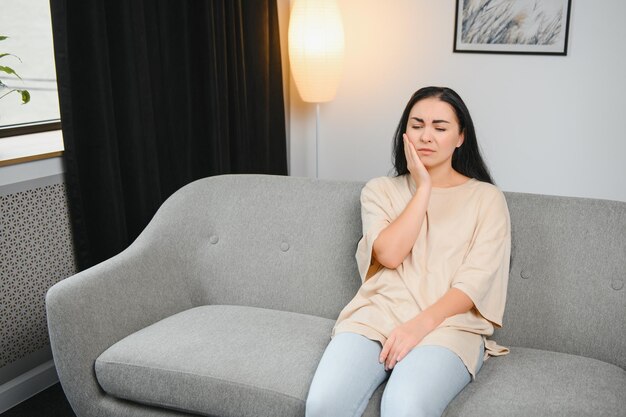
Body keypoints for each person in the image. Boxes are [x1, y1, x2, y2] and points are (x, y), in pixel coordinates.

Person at [305, 86, 511, 417]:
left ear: (461, 137)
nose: (426, 136)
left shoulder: (486, 199)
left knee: (403, 406)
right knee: (323, 404)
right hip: (375, 317)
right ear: (405, 134)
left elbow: (475, 282)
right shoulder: (380, 190)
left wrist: (418, 326)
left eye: (440, 128)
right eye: (417, 126)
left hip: (448, 326)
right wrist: (423, 188)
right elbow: (390, 254)